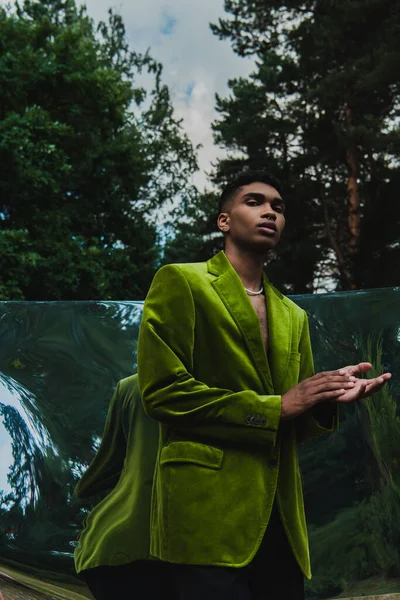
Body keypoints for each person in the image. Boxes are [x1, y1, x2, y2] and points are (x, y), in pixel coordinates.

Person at [137, 170, 391, 600]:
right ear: (224, 220)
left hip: (281, 519)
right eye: (254, 202)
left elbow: (296, 420)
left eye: (278, 207)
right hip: (205, 513)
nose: (270, 211)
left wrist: (328, 400)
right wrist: (277, 407)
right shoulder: (181, 281)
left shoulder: (294, 315)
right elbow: (163, 392)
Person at [74, 374, 175, 600]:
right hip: (181, 553)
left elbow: (97, 475)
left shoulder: (132, 386)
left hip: (116, 546)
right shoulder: (224, 387)